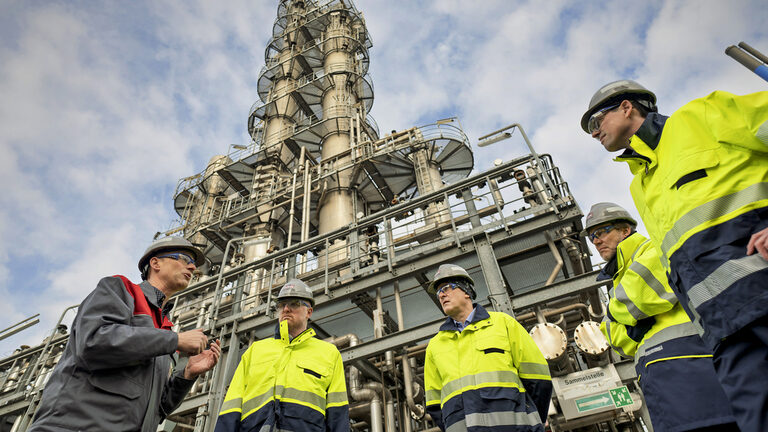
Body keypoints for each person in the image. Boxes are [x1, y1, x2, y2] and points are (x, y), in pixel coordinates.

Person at [581, 80, 768, 431]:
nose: (593, 134)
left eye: (596, 122)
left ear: (626, 107)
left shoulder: (699, 117)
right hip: (720, 330)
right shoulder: (642, 184)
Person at [30, 236, 221, 432]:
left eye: (193, 264)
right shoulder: (120, 290)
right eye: (184, 259)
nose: (192, 268)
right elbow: (93, 341)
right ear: (155, 263)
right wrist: (175, 340)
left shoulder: (165, 329)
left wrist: (187, 375)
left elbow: (157, 409)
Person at [585, 203, 738, 431]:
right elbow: (613, 338)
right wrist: (630, 320)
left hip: (691, 364)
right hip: (660, 377)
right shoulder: (620, 277)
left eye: (602, 231)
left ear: (625, 230)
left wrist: (618, 312)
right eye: (591, 237)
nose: (596, 241)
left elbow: (635, 299)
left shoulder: (654, 249)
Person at [423, 264, 552, 432]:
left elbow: (538, 379)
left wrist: (533, 419)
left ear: (466, 291)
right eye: (439, 291)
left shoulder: (503, 324)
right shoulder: (435, 345)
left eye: (446, 287)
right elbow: (434, 405)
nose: (441, 294)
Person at [215, 279, 349, 432]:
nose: (286, 309)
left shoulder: (328, 353)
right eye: (281, 305)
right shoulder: (255, 351)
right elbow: (231, 407)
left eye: (294, 304)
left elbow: (338, 412)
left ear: (309, 312)